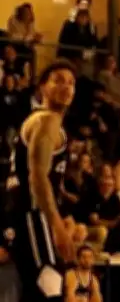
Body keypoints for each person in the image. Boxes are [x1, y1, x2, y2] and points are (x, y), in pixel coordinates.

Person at [2, 60, 77, 301]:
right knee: (50, 283)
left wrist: (63, 205)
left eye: (71, 82)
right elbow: (37, 176)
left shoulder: (45, 123)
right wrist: (56, 224)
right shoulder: (46, 121)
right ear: (43, 87)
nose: (66, 86)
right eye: (58, 80)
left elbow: (45, 175)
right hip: (33, 213)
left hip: (23, 212)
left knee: (38, 288)